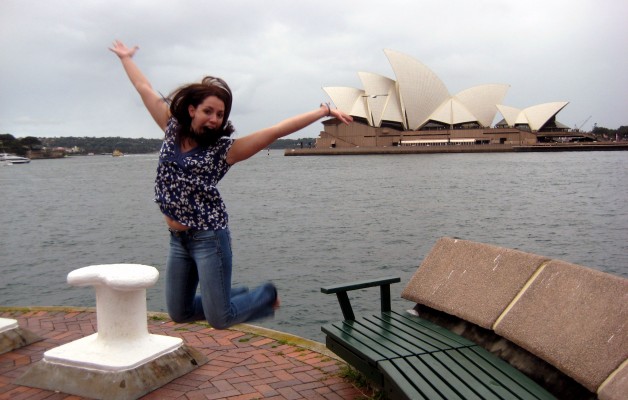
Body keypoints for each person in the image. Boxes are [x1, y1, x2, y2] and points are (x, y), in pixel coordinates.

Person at [109, 40, 352, 329]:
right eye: (208, 111)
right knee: (179, 312)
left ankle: (265, 294)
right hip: (177, 240)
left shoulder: (224, 151)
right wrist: (126, 58)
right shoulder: (172, 128)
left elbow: (275, 130)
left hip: (209, 238)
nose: (214, 119)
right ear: (191, 110)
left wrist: (322, 111)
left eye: (220, 114)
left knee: (220, 319)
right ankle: (227, 299)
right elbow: (144, 89)